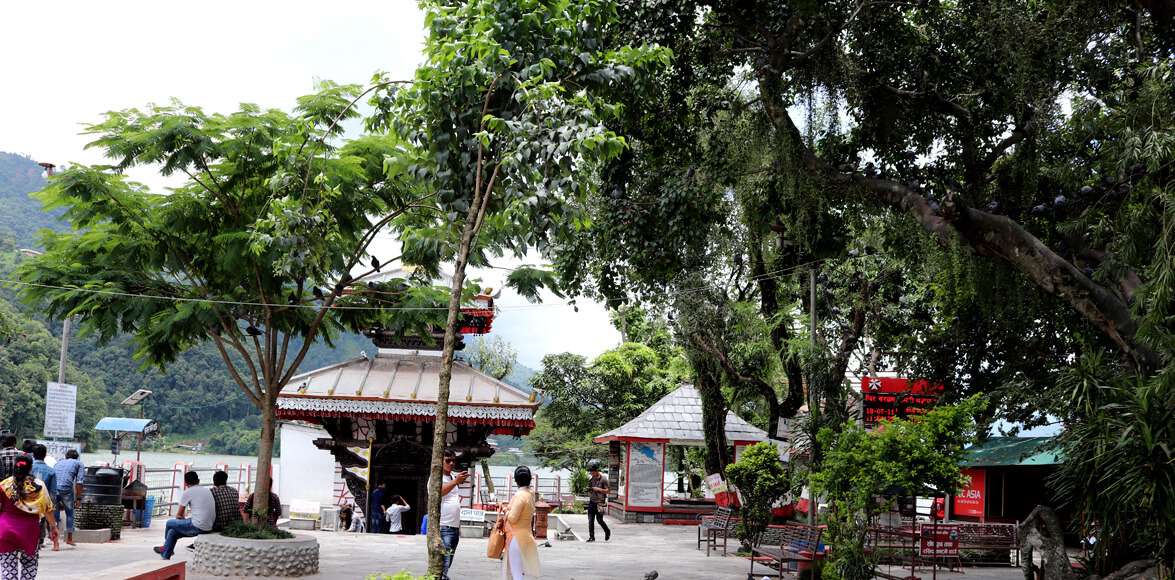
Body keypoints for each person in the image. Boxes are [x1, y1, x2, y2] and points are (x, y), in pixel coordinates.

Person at [0, 454, 59, 579]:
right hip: (29, 532)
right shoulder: (39, 486)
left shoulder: (4, 485)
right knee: (29, 566)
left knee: (8, 568)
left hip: (5, 530)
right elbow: (48, 509)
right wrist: (53, 527)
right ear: (30, 468)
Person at [154, 471, 214, 560]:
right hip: (209, 526)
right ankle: (165, 557)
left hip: (197, 526)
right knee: (172, 532)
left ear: (185, 483)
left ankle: (166, 548)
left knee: (169, 523)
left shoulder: (188, 492)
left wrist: (183, 520)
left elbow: (179, 515)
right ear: (198, 481)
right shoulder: (207, 490)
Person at [435, 450, 469, 580]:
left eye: (453, 461)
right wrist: (456, 482)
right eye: (448, 461)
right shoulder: (436, 477)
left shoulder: (453, 477)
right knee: (444, 560)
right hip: (444, 525)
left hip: (454, 526)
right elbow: (438, 492)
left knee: (449, 559)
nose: (451, 463)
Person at [502, 466, 540, 580]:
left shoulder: (520, 496)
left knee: (516, 572)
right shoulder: (530, 494)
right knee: (519, 571)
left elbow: (513, 518)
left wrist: (506, 510)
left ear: (516, 480)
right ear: (529, 479)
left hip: (516, 537)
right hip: (527, 534)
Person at [51, 449, 83, 546]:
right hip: (66, 490)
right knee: (70, 514)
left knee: (55, 516)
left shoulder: (58, 462)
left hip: (54, 489)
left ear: (66, 456)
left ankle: (55, 543)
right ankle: (69, 539)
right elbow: (79, 482)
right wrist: (78, 499)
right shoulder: (79, 463)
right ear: (76, 457)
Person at [29, 446, 56, 549]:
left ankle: (32, 540)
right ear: (45, 455)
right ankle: (39, 541)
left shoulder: (29, 469)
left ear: (33, 455)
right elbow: (53, 491)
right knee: (42, 520)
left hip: (28, 500)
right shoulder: (51, 471)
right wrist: (51, 505)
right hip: (43, 501)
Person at [586, 460, 611, 542]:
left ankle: (607, 531)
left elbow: (608, 491)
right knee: (590, 520)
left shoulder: (604, 479)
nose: (591, 473)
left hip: (600, 502)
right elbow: (590, 489)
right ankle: (591, 537)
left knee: (599, 520)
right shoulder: (591, 479)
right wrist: (588, 490)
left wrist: (598, 489)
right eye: (590, 472)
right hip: (592, 502)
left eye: (592, 471)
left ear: (597, 470)